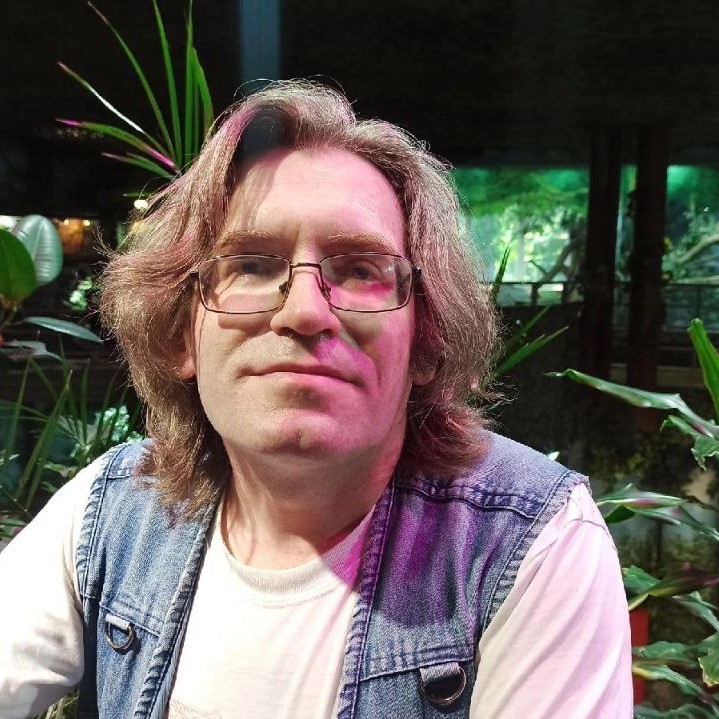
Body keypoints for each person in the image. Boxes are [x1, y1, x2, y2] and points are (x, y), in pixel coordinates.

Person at [0, 80, 632, 718]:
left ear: (425, 341)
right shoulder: (112, 511)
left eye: (359, 270)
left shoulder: (530, 541)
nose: (304, 311)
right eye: (251, 265)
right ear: (180, 336)